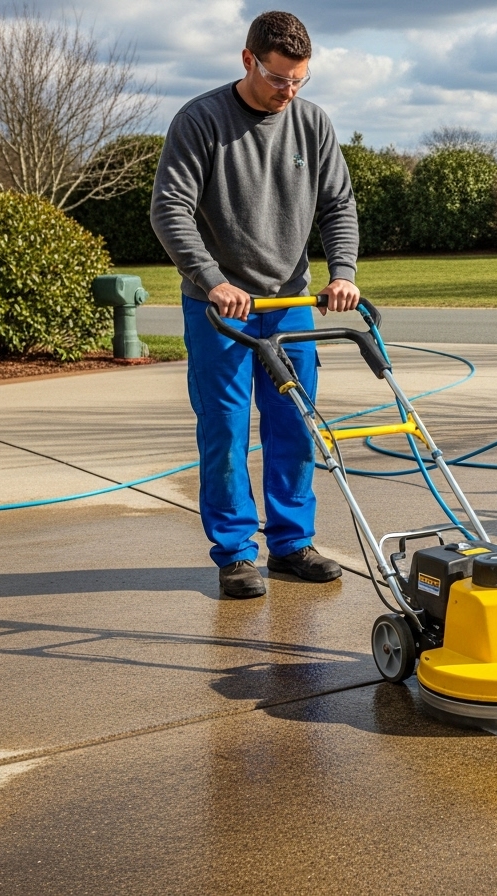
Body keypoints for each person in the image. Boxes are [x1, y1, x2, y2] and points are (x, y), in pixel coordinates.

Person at [151, 10, 359, 598]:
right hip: (222, 309)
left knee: (295, 423)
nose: (288, 91)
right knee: (225, 429)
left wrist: (342, 273)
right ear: (248, 61)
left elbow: (338, 207)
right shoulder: (201, 120)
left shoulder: (312, 123)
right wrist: (212, 279)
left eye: (300, 80)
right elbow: (170, 210)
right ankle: (236, 552)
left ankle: (292, 544)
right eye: (278, 79)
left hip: (291, 300)